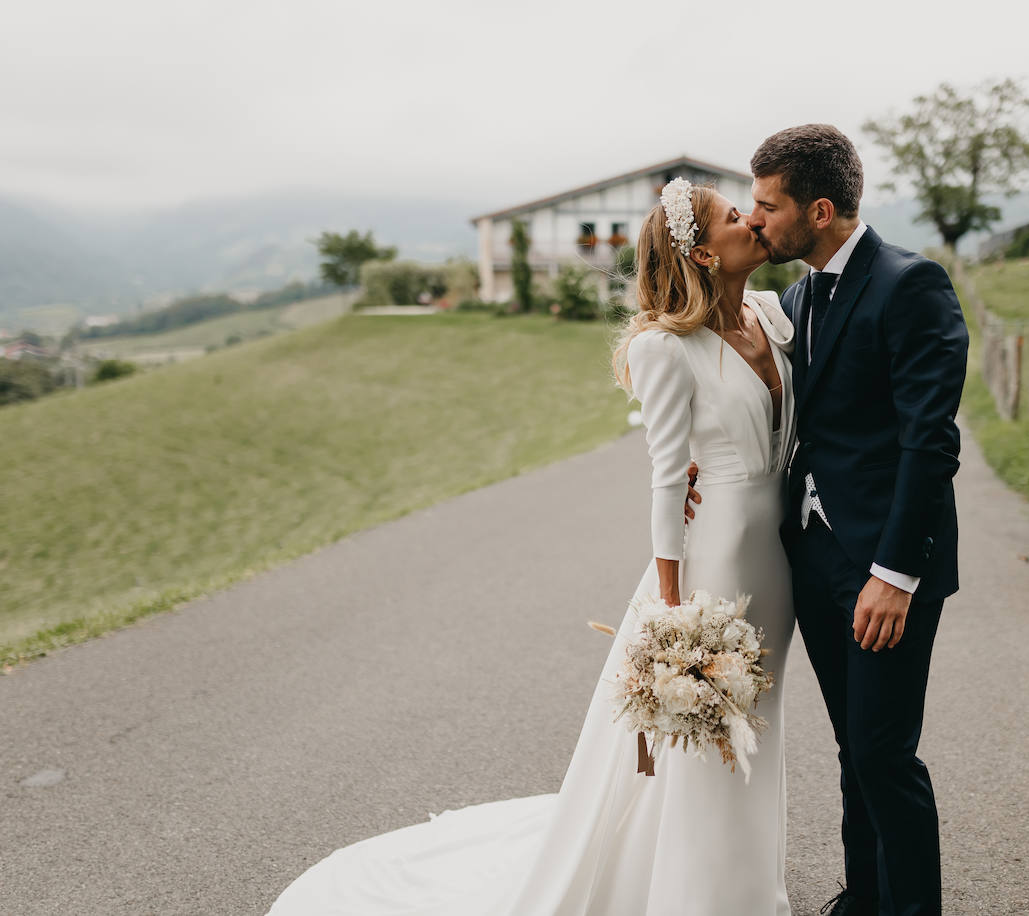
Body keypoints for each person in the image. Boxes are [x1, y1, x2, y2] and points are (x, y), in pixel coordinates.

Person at [266, 179, 797, 915]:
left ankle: (742, 877)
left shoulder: (773, 315)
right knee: (700, 739)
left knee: (759, 727)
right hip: (711, 567)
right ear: (703, 250)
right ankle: (699, 896)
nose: (751, 221)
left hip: (776, 563)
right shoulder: (666, 349)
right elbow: (668, 480)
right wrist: (672, 613)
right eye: (735, 216)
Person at [743, 124, 968, 916]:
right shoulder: (801, 296)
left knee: (883, 752)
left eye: (768, 206)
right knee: (852, 749)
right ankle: (863, 898)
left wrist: (895, 574)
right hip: (817, 560)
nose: (755, 220)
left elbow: (930, 443)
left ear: (822, 208)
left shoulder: (912, 284)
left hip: (886, 569)